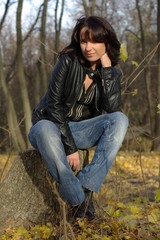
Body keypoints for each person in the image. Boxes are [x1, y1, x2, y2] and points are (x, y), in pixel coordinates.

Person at [28, 15, 129, 221]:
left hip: (81, 130)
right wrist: (70, 147)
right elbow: (53, 105)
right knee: (45, 128)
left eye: (94, 41)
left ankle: (85, 184)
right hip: (49, 127)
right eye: (84, 41)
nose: (88, 47)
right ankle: (79, 200)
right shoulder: (67, 61)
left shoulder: (111, 73)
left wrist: (107, 70)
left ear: (106, 42)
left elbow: (112, 109)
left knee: (120, 119)